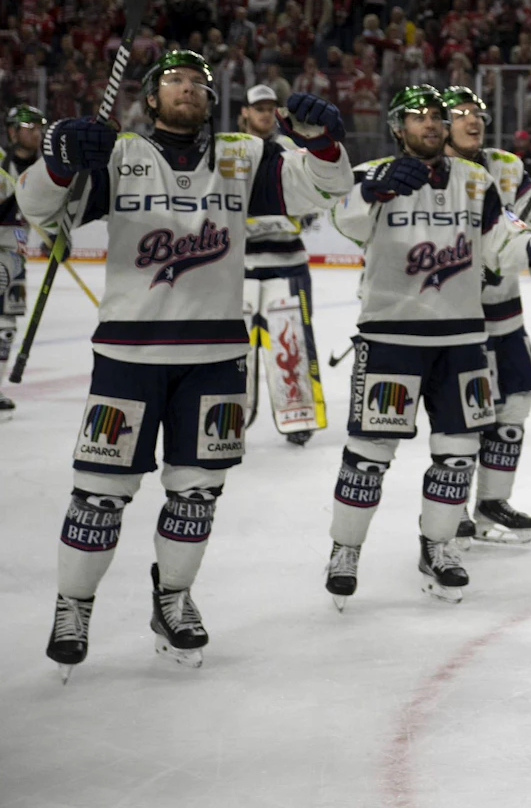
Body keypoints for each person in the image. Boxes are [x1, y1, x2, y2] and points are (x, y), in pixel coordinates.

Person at [21, 51, 349, 676]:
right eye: (174, 79)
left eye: (198, 81)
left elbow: (327, 188)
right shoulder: (117, 153)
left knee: (195, 494)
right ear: (149, 98)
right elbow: (41, 213)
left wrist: (323, 143)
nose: (189, 88)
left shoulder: (242, 155)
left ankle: (172, 597)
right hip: (128, 354)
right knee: (98, 495)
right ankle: (74, 603)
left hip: (216, 357)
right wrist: (58, 160)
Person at [322, 85, 531, 606]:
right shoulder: (372, 175)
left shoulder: (475, 179)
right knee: (369, 454)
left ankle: (438, 546)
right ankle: (346, 549)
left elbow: (503, 234)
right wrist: (378, 189)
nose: (431, 123)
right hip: (391, 336)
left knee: (457, 453)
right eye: (418, 117)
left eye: (437, 116)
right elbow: (342, 219)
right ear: (397, 128)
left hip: (461, 337)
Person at [438, 85, 531, 544]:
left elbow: (530, 222)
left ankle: (492, 500)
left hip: (505, 313)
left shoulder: (506, 165)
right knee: (462, 417)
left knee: (515, 403)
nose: (472, 120)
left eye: (477, 112)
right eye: (460, 113)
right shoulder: (430, 170)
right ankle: (454, 509)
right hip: (455, 316)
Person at [237, 85, 325, 446]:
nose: (264, 113)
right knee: (234, 345)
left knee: (293, 342)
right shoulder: (229, 150)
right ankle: (229, 413)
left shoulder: (292, 149)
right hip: (238, 267)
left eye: (270, 107)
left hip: (289, 263)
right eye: (258, 107)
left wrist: (300, 217)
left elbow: (314, 197)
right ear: (245, 111)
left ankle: (299, 416)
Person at [0, 103, 49, 415]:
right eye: (28, 127)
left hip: (16, 258)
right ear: (12, 131)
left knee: (6, 328)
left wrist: (55, 238)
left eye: (38, 127)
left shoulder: (45, 171)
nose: (35, 133)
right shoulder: (2, 167)